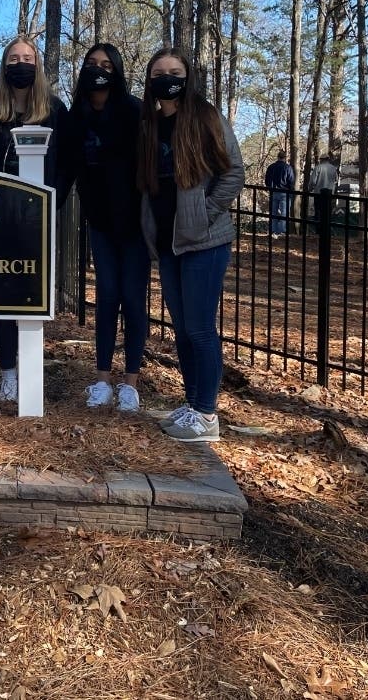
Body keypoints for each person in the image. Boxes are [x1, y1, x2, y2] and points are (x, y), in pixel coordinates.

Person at [138, 49, 244, 442]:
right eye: (159, 72)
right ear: (150, 80)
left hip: (204, 242)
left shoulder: (205, 116)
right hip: (168, 242)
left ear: (187, 76)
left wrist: (206, 213)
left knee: (200, 329)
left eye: (175, 72)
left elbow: (234, 171)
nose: (167, 78)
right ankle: (192, 402)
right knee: (182, 329)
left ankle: (207, 414)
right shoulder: (150, 123)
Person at [0, 35, 69, 403]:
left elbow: (66, 163)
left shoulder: (55, 110)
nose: (20, 63)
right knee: (4, 296)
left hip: (38, 215)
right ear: (4, 64)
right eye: (14, 57)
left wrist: (50, 201)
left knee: (33, 293)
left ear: (38, 64)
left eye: (27, 57)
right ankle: (8, 374)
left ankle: (31, 372)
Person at [59, 43, 146, 413]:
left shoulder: (134, 111)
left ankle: (131, 382)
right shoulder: (75, 117)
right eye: (92, 64)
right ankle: (102, 379)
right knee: (107, 297)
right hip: (100, 222)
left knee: (134, 299)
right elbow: (64, 168)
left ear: (118, 71)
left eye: (107, 65)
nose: (99, 70)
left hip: (135, 222)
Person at [264, 149, 295, 236]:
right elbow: (291, 181)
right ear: (285, 158)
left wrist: (269, 188)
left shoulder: (271, 167)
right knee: (284, 212)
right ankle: (281, 231)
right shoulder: (288, 168)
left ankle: (273, 230)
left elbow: (267, 180)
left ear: (278, 157)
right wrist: (291, 192)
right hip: (284, 192)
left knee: (273, 212)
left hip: (273, 192)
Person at [308, 153, 339, 227]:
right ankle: (327, 228)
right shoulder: (333, 168)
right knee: (327, 212)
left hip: (318, 193)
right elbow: (336, 180)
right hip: (329, 193)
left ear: (321, 160)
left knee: (318, 212)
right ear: (328, 159)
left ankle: (318, 230)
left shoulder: (318, 168)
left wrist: (310, 189)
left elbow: (312, 181)